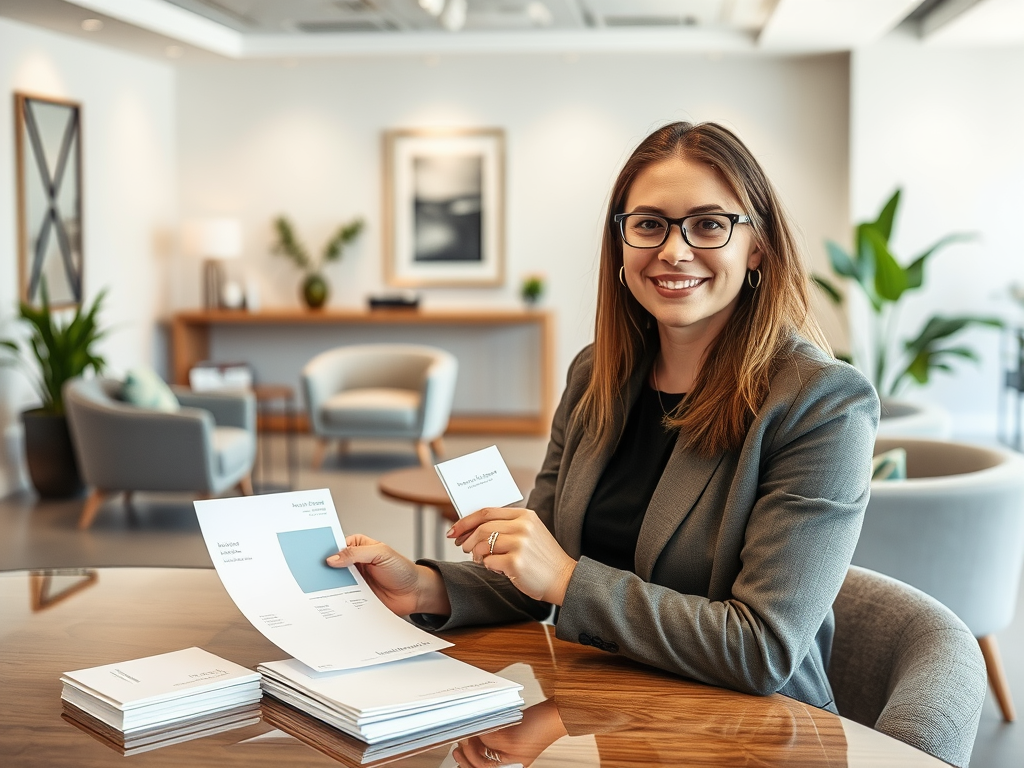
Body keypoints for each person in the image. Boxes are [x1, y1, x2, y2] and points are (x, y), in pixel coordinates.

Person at [328, 121, 879, 712]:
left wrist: (567, 580)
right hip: (607, 708)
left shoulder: (821, 404)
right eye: (648, 225)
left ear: (758, 247)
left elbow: (762, 648)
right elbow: (538, 554)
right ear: (621, 243)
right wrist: (423, 587)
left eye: (709, 225)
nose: (673, 250)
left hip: (749, 730)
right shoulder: (597, 374)